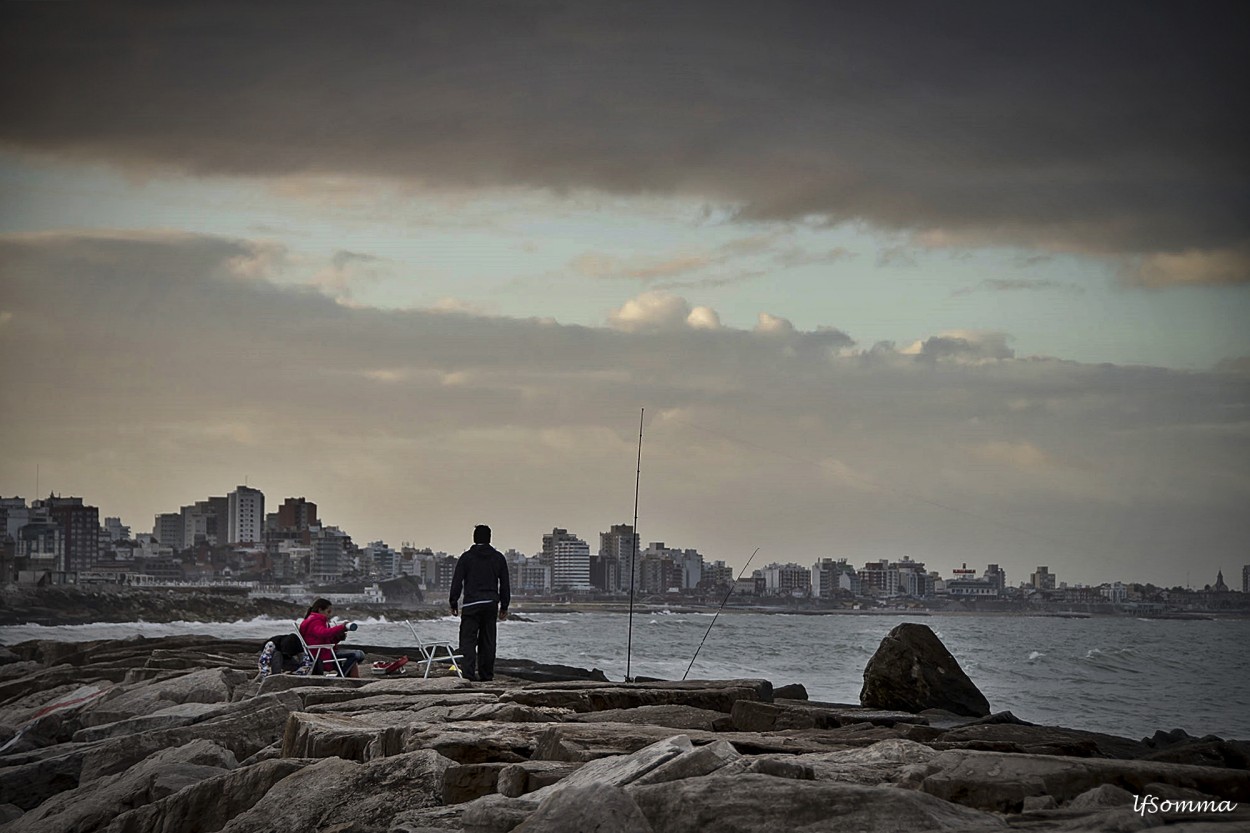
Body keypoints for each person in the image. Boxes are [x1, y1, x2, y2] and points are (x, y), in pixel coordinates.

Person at [449, 524, 510, 681]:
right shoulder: (498, 558)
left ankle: (468, 674)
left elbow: (457, 581)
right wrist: (504, 605)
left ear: (474, 538)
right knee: (488, 640)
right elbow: (504, 583)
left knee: (468, 641)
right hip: (490, 603)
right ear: (489, 538)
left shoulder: (466, 557)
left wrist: (453, 602)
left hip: (471, 604)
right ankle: (486, 675)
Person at [299, 598, 364, 678]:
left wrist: (338, 637)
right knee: (357, 654)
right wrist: (341, 627)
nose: (330, 615)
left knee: (359, 654)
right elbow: (323, 633)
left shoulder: (318, 620)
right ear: (320, 610)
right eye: (328, 612)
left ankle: (344, 675)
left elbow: (325, 639)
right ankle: (341, 676)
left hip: (325, 651)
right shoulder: (314, 621)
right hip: (321, 654)